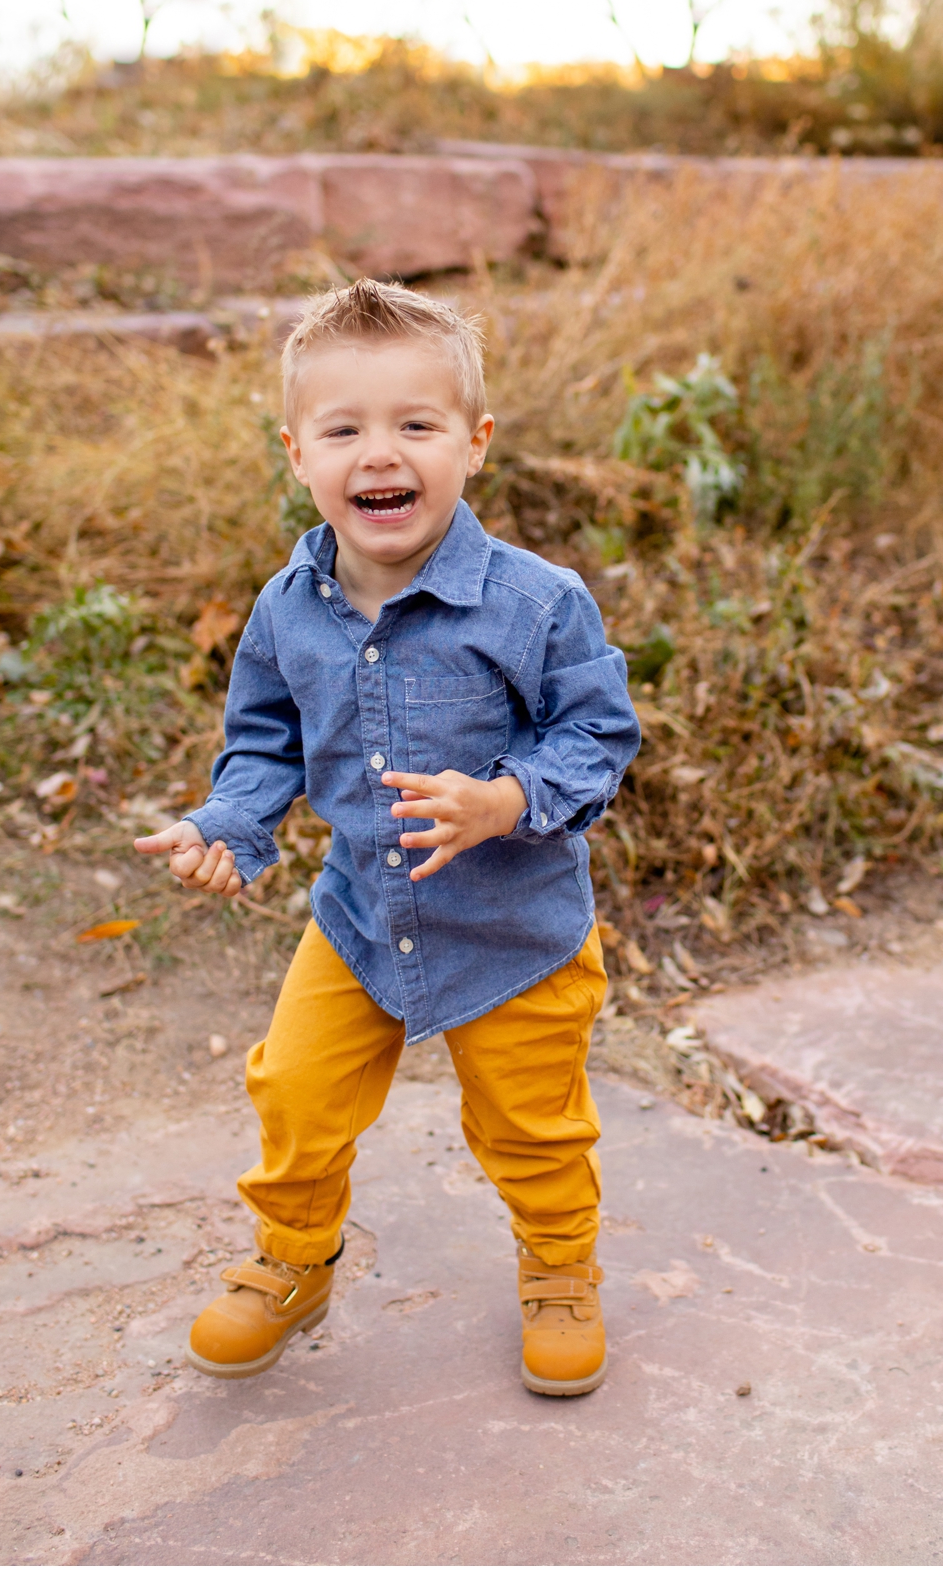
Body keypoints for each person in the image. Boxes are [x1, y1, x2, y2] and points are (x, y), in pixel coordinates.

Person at [134, 278, 641, 1396]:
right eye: (346, 428)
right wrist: (229, 822)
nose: (383, 453)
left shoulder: (537, 601)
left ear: (475, 442)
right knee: (296, 1093)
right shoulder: (286, 608)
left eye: (417, 424)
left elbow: (599, 731)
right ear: (296, 453)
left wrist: (505, 799)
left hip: (517, 935)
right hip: (361, 917)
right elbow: (264, 741)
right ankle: (291, 1261)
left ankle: (560, 1268)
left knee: (532, 1127)